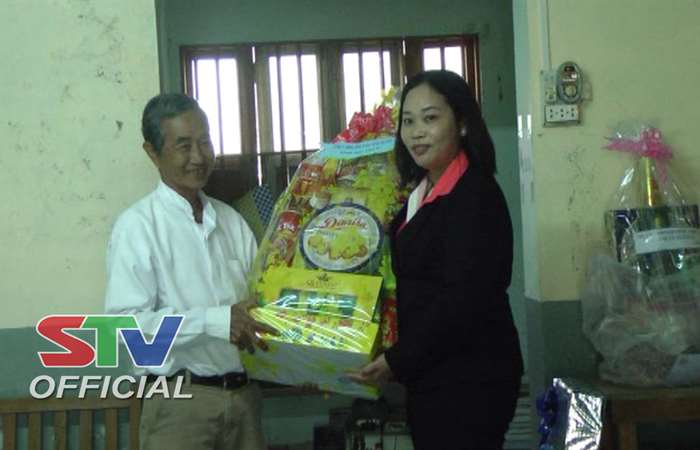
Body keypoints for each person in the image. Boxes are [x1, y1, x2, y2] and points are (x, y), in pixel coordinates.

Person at [349, 70, 524, 450]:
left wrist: (396, 360)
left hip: (471, 377)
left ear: (462, 123)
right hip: (431, 371)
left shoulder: (475, 195)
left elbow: (463, 301)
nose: (416, 133)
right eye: (408, 122)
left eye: (430, 118)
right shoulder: (422, 189)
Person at [105, 93, 275, 450]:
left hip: (245, 399)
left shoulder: (231, 222)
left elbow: (259, 303)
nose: (199, 157)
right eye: (184, 146)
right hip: (178, 406)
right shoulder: (138, 227)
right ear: (152, 153)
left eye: (205, 142)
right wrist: (215, 321)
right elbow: (126, 330)